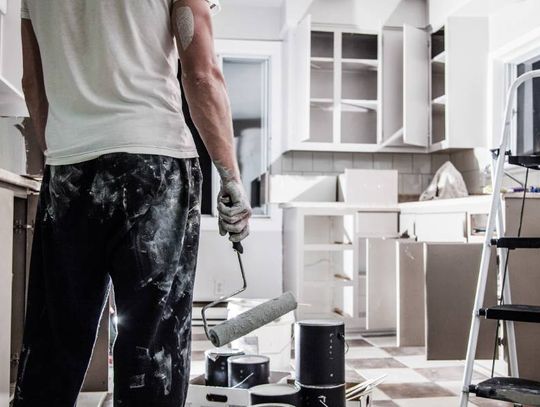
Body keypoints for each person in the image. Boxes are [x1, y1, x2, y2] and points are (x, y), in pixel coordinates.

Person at [15, 0, 251, 405]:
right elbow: (202, 73)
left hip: (69, 167)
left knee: (54, 341)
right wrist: (230, 175)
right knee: (152, 349)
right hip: (154, 164)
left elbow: (33, 83)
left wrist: (63, 153)